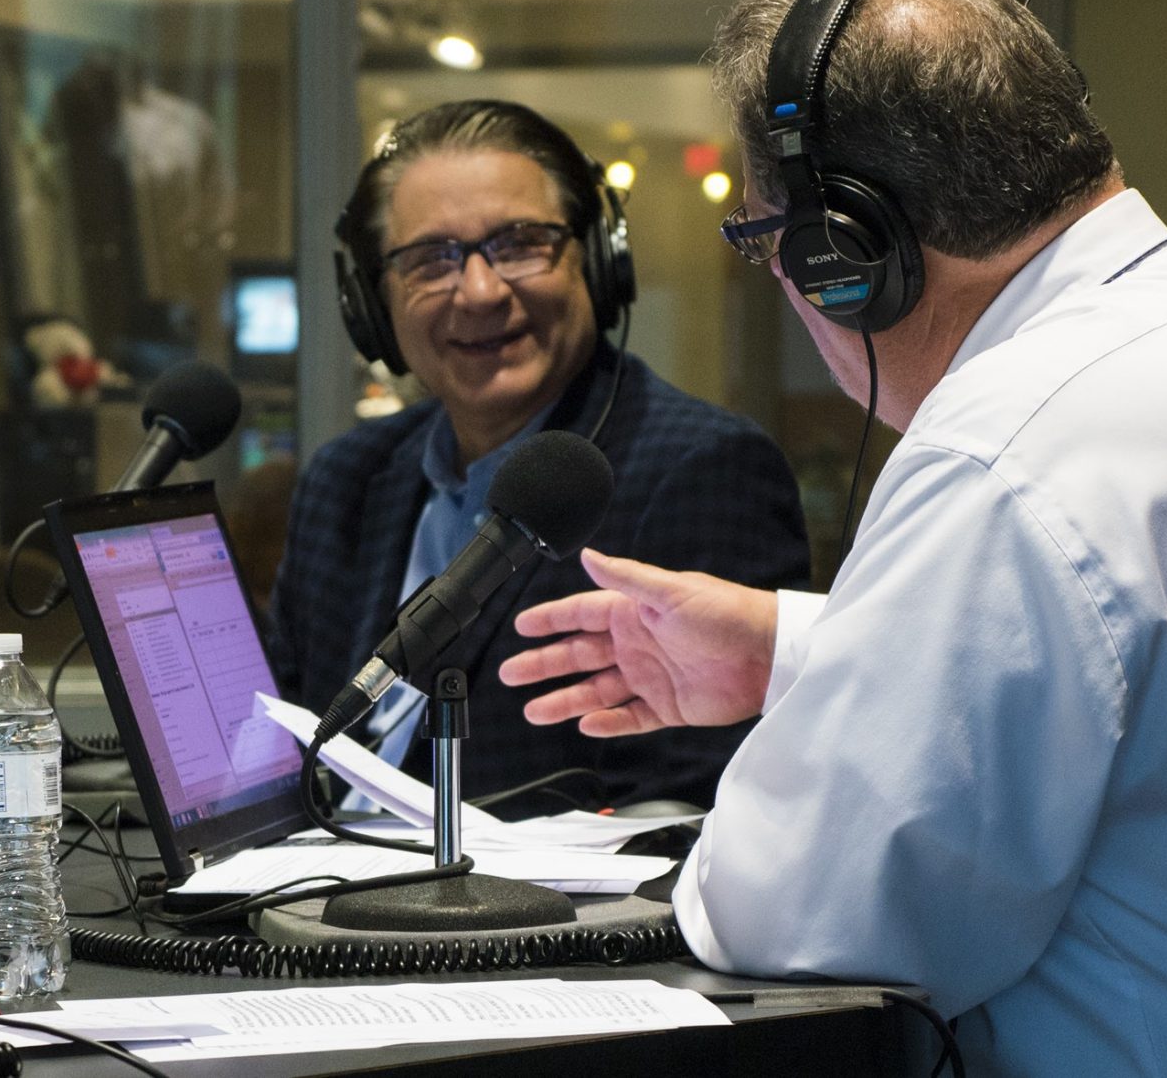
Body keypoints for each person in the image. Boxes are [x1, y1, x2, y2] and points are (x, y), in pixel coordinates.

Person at [501, 0, 1167, 1074]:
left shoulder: (1006, 449)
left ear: (843, 252)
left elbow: (804, 921)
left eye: (763, 242)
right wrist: (795, 649)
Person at [265, 99, 811, 812]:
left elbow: (697, 816)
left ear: (596, 256)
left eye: (520, 243)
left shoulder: (704, 469)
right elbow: (278, 745)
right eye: (431, 259)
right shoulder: (346, 480)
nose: (481, 291)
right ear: (371, 304)